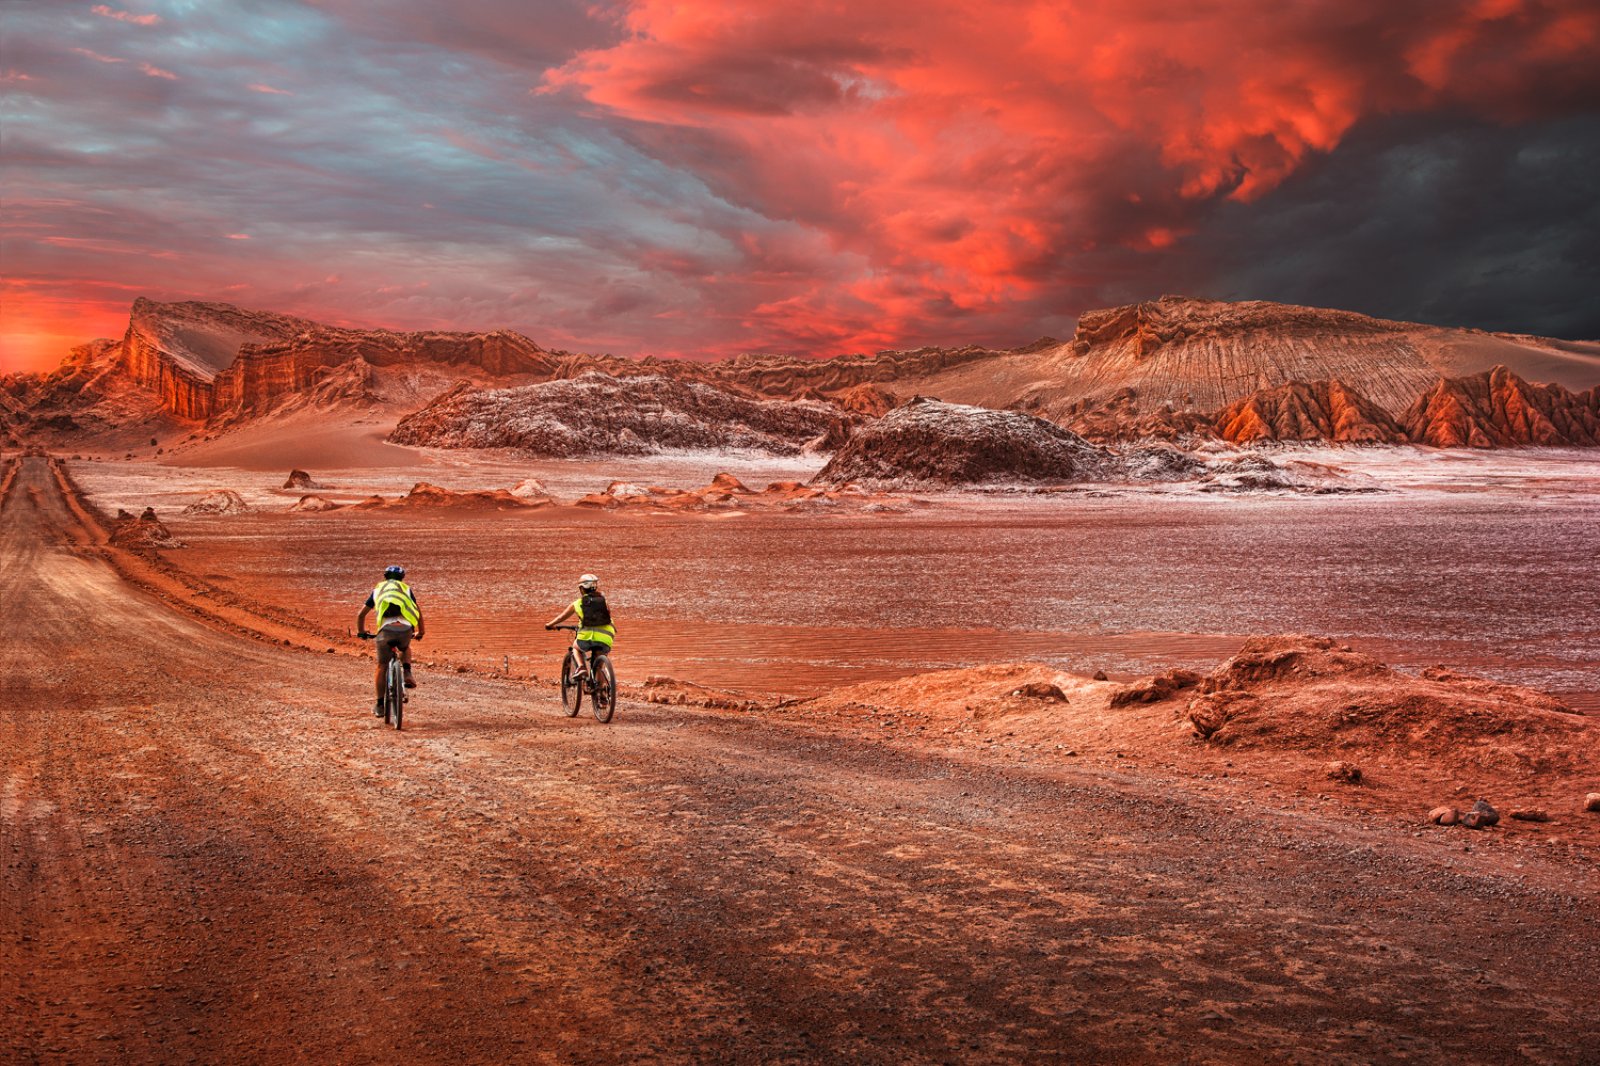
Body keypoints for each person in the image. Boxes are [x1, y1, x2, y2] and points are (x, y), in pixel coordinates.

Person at [357, 565, 425, 717]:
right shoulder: (406, 589)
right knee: (405, 647)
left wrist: (361, 632)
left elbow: (361, 615)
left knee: (382, 665)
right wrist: (421, 631)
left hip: (386, 629)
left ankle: (380, 705)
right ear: (402, 578)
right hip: (406, 628)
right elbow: (418, 611)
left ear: (385, 577)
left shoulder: (378, 590)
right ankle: (407, 672)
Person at [546, 573, 614, 679]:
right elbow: (607, 616)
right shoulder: (604, 601)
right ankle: (602, 692)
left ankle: (581, 667)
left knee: (575, 648)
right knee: (599, 666)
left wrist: (550, 625)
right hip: (607, 637)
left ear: (581, 589)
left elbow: (561, 618)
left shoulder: (578, 603)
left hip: (587, 637)